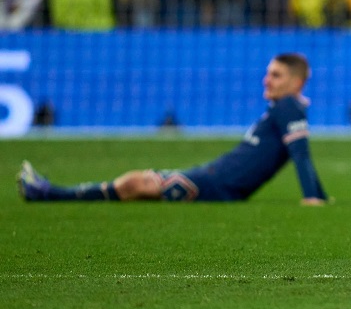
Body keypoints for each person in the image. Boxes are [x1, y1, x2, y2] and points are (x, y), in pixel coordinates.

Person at [17, 53, 330, 205]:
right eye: (268, 73)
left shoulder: (288, 106)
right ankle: (50, 193)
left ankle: (48, 194)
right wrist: (321, 196)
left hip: (217, 184)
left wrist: (312, 199)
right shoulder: (287, 110)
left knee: (135, 183)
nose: (267, 80)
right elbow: (299, 152)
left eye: (275, 75)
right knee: (137, 186)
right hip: (214, 178)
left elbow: (300, 154)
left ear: (296, 82)